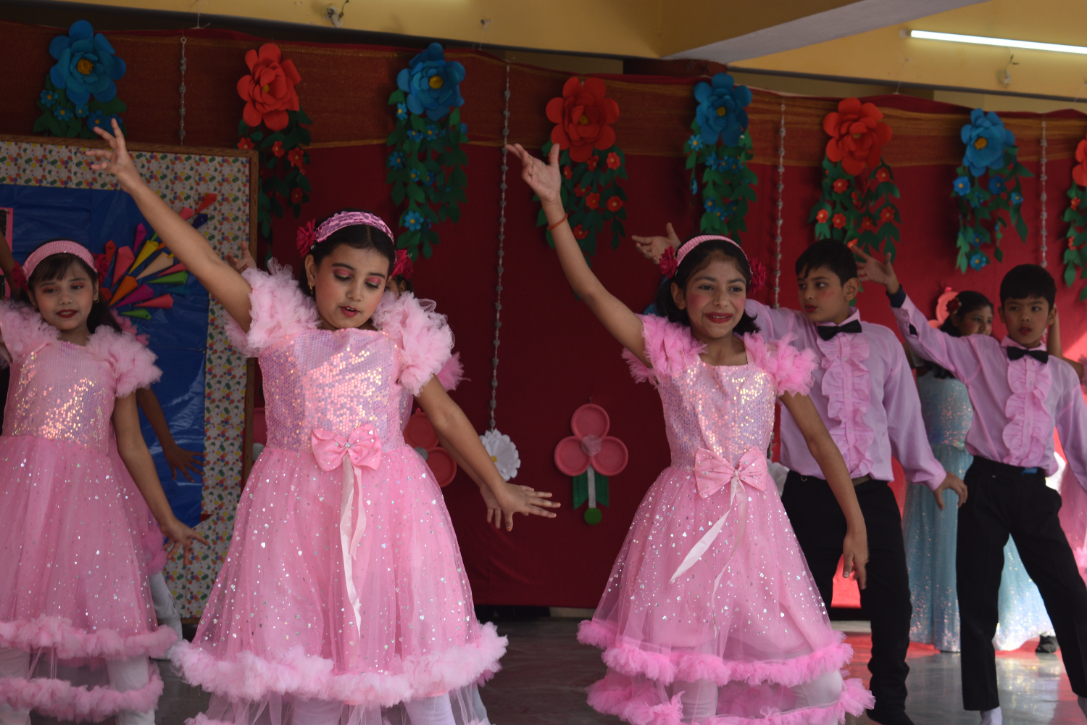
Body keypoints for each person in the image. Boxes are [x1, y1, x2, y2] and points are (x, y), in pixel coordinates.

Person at [90, 120, 559, 725]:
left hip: (391, 509)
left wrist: (494, 484)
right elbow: (202, 260)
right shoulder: (278, 327)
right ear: (312, 269)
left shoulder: (399, 338)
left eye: (373, 283)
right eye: (343, 275)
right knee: (306, 659)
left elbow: (445, 415)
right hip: (296, 509)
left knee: (415, 653)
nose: (356, 293)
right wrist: (133, 183)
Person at [509, 142, 874, 724]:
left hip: (758, 529)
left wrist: (856, 523)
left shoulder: (772, 362)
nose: (722, 300)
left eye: (735, 288)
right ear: (680, 295)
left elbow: (822, 444)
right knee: (693, 678)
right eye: (705, 286)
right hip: (683, 523)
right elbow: (591, 291)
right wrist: (554, 205)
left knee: (820, 678)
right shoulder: (668, 354)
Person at [635, 228, 964, 725]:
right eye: (803, 285)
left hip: (869, 493)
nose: (809, 295)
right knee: (799, 611)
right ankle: (782, 703)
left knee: (892, 600)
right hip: (805, 493)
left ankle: (890, 704)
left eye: (820, 285)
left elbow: (903, 417)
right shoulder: (785, 330)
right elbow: (725, 298)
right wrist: (681, 252)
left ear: (850, 289)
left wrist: (931, 473)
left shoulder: (884, 343)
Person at [858, 248, 1087, 725]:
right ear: (1002, 313)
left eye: (1036, 308)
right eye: (1016, 308)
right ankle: (988, 709)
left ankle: (1086, 692)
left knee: (1071, 594)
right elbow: (924, 339)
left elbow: (1080, 448)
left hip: (1034, 493)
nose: (1026, 317)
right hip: (984, 486)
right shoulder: (980, 353)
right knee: (977, 603)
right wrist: (894, 288)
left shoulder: (1063, 376)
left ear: (1049, 315)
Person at [0, 239, 203, 725]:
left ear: (95, 290)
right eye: (50, 289)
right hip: (21, 502)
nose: (65, 298)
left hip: (91, 504)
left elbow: (131, 446)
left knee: (116, 618)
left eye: (76, 286)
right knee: (12, 620)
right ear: (33, 298)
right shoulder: (21, 340)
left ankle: (137, 715)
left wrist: (166, 518)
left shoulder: (116, 358)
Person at [902, 291, 1054, 655]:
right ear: (956, 319)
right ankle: (950, 628)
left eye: (989, 321)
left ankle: (1031, 622)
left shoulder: (991, 363)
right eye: (977, 320)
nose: (985, 328)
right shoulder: (924, 359)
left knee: (989, 552)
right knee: (940, 548)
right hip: (936, 468)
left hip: (973, 466)